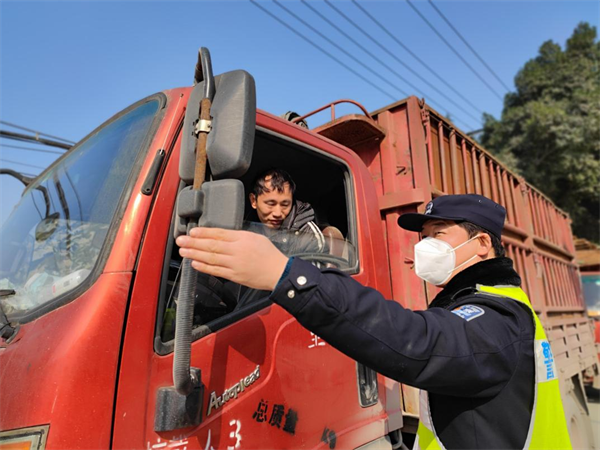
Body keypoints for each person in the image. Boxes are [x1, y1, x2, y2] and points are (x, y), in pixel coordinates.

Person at [176, 194, 572, 450]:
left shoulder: (495, 316)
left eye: (438, 234)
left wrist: (287, 275)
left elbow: (416, 340)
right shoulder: (481, 303)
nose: (424, 246)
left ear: (482, 243)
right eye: (424, 236)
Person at [244, 168, 326, 256]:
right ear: (253, 201)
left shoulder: (308, 235)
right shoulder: (244, 227)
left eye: (285, 205)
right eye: (271, 204)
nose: (278, 213)